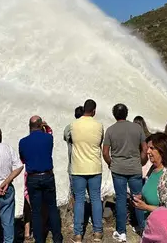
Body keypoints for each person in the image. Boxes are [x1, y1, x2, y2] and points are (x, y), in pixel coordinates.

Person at [103, 104, 147, 242]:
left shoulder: (110, 130)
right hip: (135, 168)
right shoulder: (137, 128)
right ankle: (142, 228)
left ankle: (121, 232)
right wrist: (141, 162)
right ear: (127, 113)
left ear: (114, 114)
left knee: (121, 199)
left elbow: (105, 152)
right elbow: (144, 149)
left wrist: (111, 163)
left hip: (118, 169)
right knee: (138, 198)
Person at [18, 116, 63, 243]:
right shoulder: (48, 138)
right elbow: (49, 132)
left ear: (29, 126)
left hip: (33, 178)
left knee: (36, 212)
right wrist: (46, 126)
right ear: (40, 125)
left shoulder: (23, 142)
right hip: (48, 176)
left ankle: (39, 240)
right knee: (52, 208)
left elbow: (22, 159)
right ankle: (57, 238)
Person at [69, 99, 104, 242]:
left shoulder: (73, 125)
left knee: (79, 201)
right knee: (96, 199)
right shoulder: (99, 125)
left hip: (78, 167)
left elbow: (71, 140)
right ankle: (98, 232)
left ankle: (78, 234)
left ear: (84, 109)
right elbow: (100, 142)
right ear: (94, 111)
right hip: (94, 166)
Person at [132, 133, 167, 218]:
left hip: (160, 226)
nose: (148, 151)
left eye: (152, 148)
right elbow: (153, 191)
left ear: (162, 150)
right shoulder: (153, 168)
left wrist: (145, 207)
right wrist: (142, 197)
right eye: (148, 148)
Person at [63, 107, 85, 196]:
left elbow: (65, 138)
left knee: (75, 195)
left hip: (73, 166)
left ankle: (76, 209)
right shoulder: (89, 127)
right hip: (87, 166)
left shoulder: (69, 127)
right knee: (91, 194)